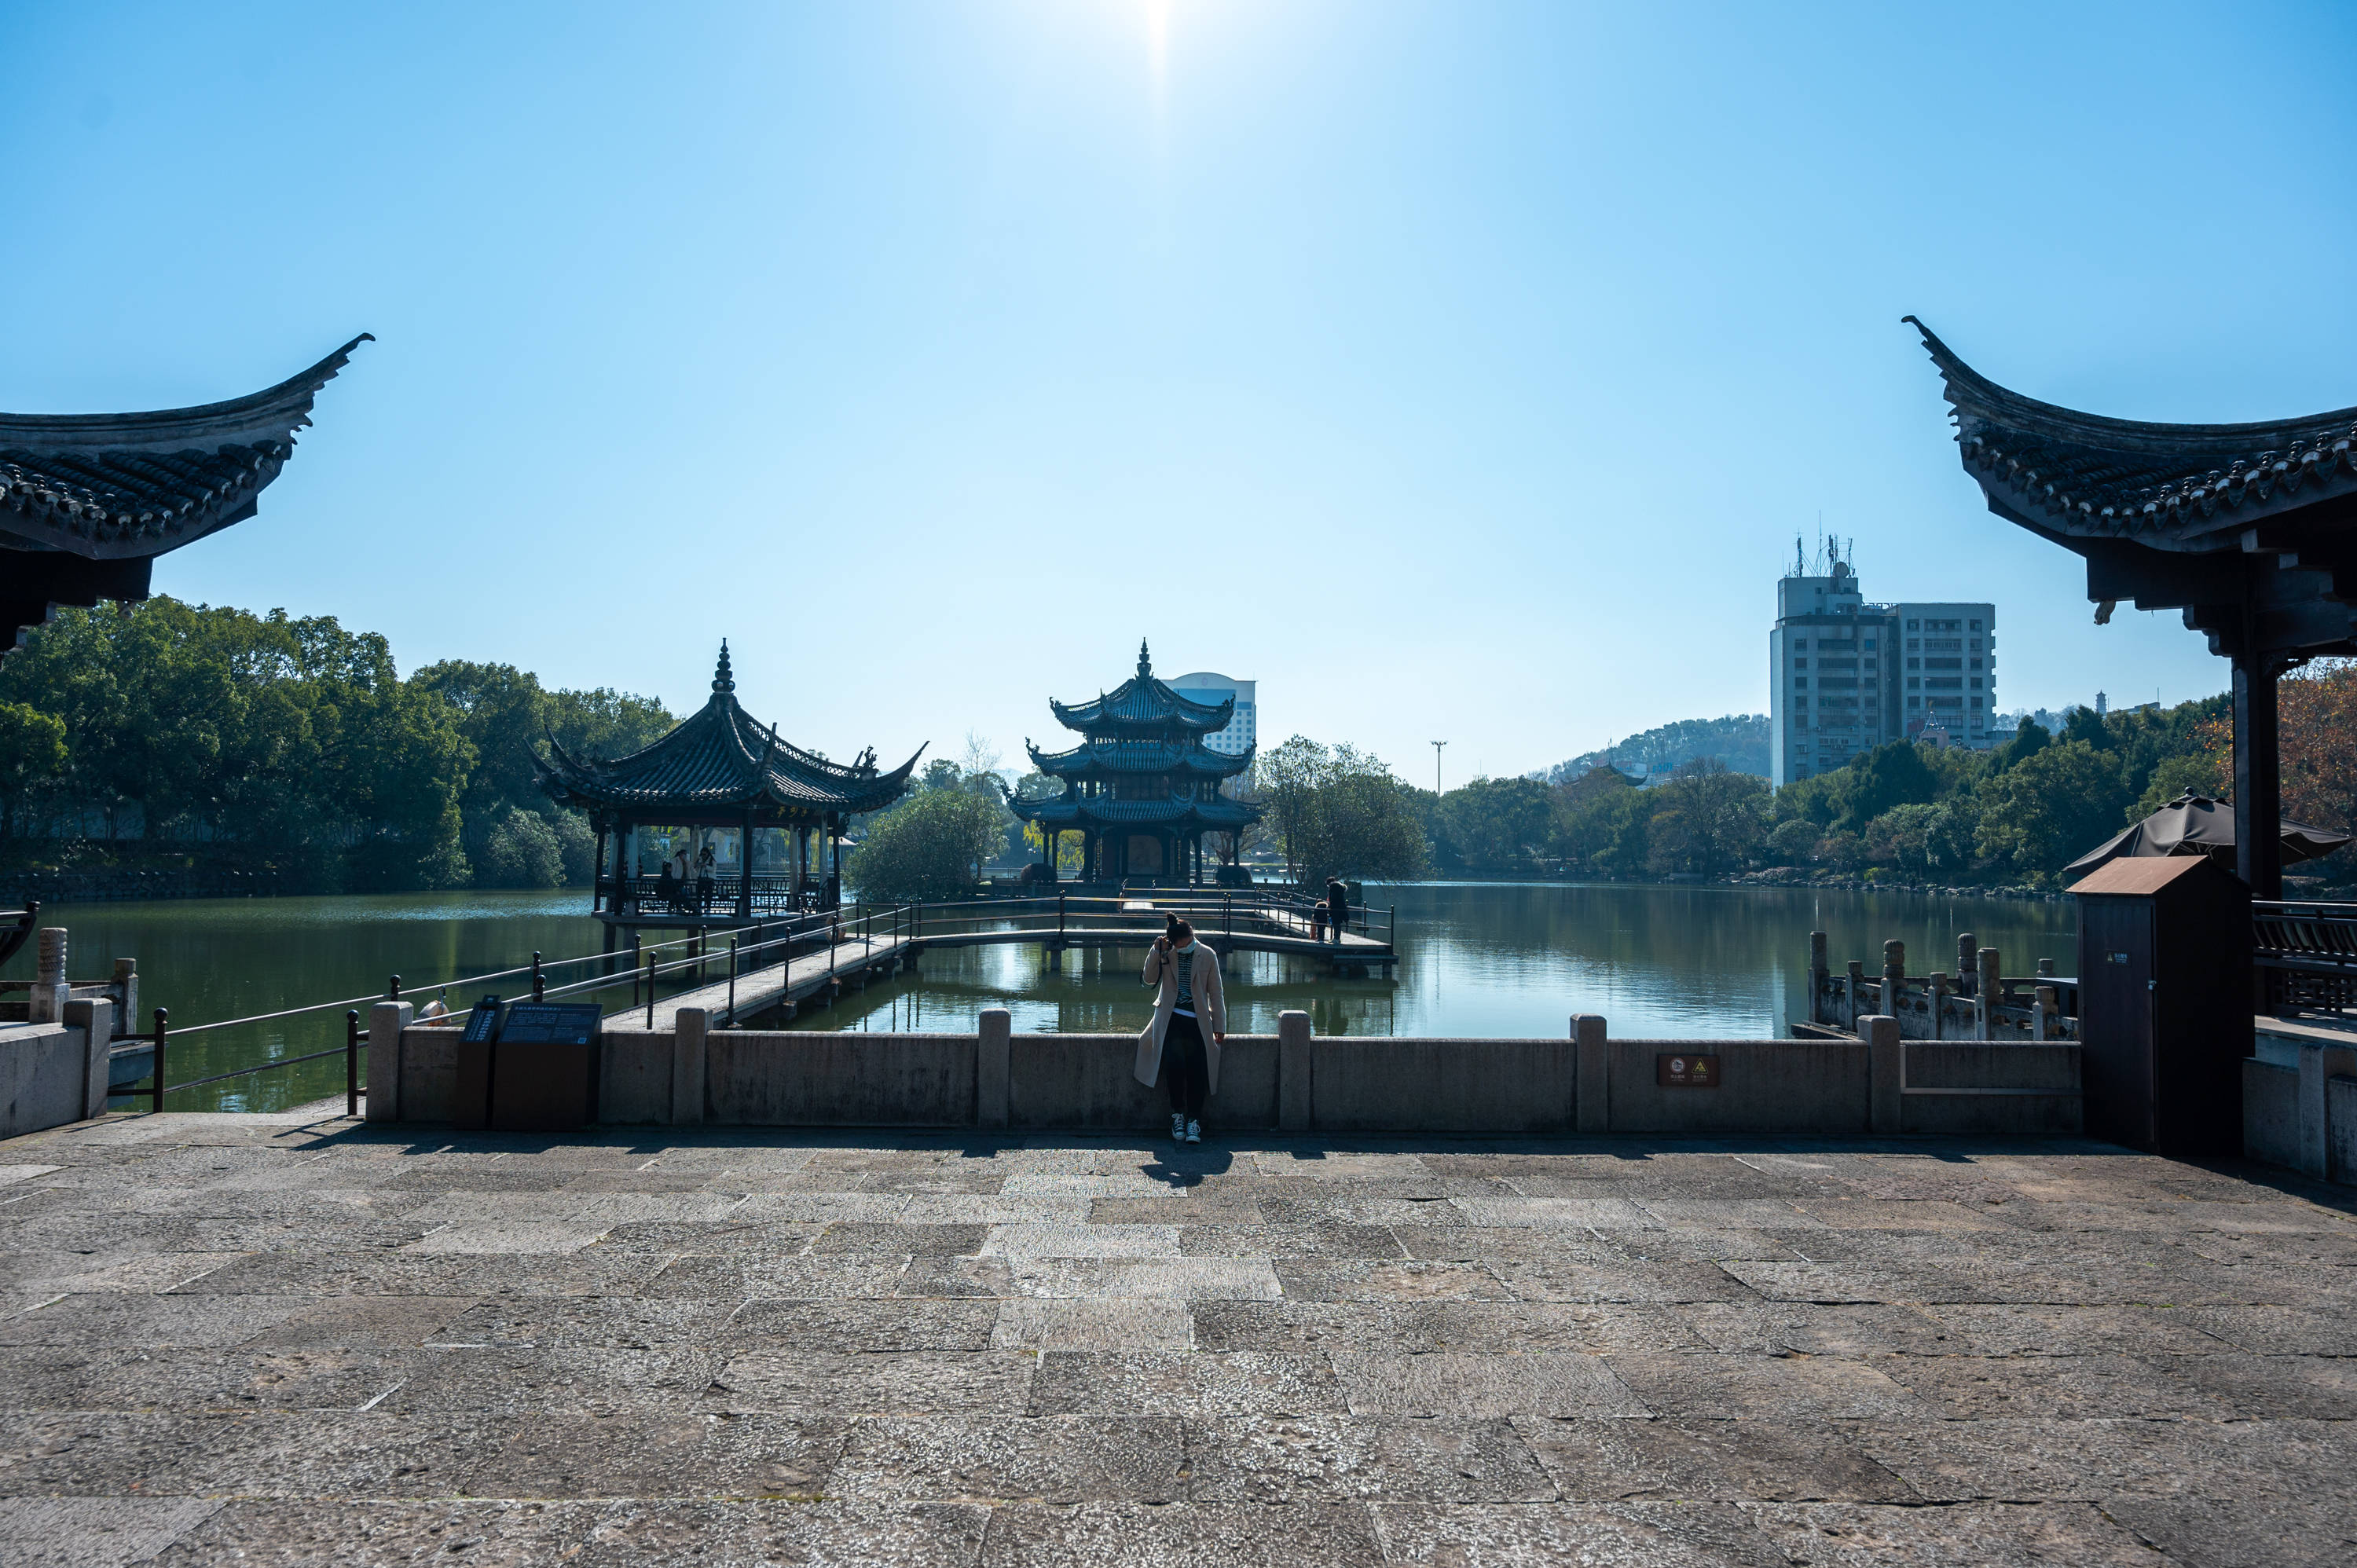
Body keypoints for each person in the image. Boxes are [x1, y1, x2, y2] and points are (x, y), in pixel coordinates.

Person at [1135, 915, 1226, 1145]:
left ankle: (1194, 1120)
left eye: (1186, 944)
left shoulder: (1207, 955)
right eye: (1179, 945)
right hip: (1170, 1018)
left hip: (1199, 1020)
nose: (1183, 948)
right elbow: (1148, 979)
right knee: (1174, 1067)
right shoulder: (1168, 952)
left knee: (1198, 1070)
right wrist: (1156, 951)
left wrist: (1220, 1025)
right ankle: (1177, 1115)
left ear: (1191, 935)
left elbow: (1216, 993)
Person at [1325, 877, 1350, 945]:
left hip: (1335, 909)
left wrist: (1330, 907)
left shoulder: (1333, 888)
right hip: (1341, 908)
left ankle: (1336, 939)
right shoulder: (1339, 888)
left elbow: (1332, 900)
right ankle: (1337, 938)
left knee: (1336, 924)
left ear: (1329, 884)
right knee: (1338, 924)